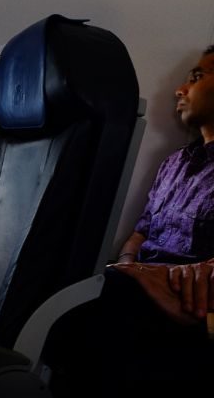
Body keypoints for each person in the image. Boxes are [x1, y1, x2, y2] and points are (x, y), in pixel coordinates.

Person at [47, 46, 214, 397]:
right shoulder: (174, 163)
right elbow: (140, 233)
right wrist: (130, 268)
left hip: (186, 306)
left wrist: (160, 279)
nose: (179, 90)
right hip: (140, 287)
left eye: (197, 78)